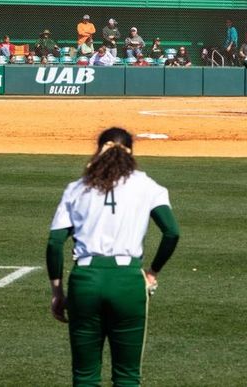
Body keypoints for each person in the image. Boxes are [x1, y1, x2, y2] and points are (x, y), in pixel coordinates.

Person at [46, 128, 180, 387]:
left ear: (98, 150)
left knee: (84, 377)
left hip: (85, 280)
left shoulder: (77, 188)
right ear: (130, 152)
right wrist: (152, 272)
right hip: (127, 281)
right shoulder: (147, 185)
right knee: (127, 377)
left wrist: (57, 291)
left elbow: (54, 243)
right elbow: (172, 232)